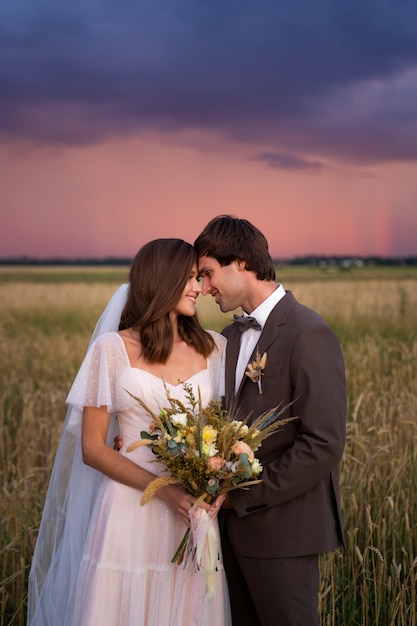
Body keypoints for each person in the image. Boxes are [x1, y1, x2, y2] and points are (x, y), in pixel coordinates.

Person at [27, 239, 231, 626]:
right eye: (190, 278)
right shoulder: (111, 350)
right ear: (162, 280)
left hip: (193, 513)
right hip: (129, 510)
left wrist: (217, 480)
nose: (199, 288)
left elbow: (224, 433)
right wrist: (166, 491)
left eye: (200, 278)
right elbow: (93, 448)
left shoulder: (214, 348)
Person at [194, 215, 346, 626]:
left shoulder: (308, 333)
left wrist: (244, 493)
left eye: (208, 274)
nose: (204, 289)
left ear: (240, 262)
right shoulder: (229, 337)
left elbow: (324, 444)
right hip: (230, 534)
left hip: (283, 531)